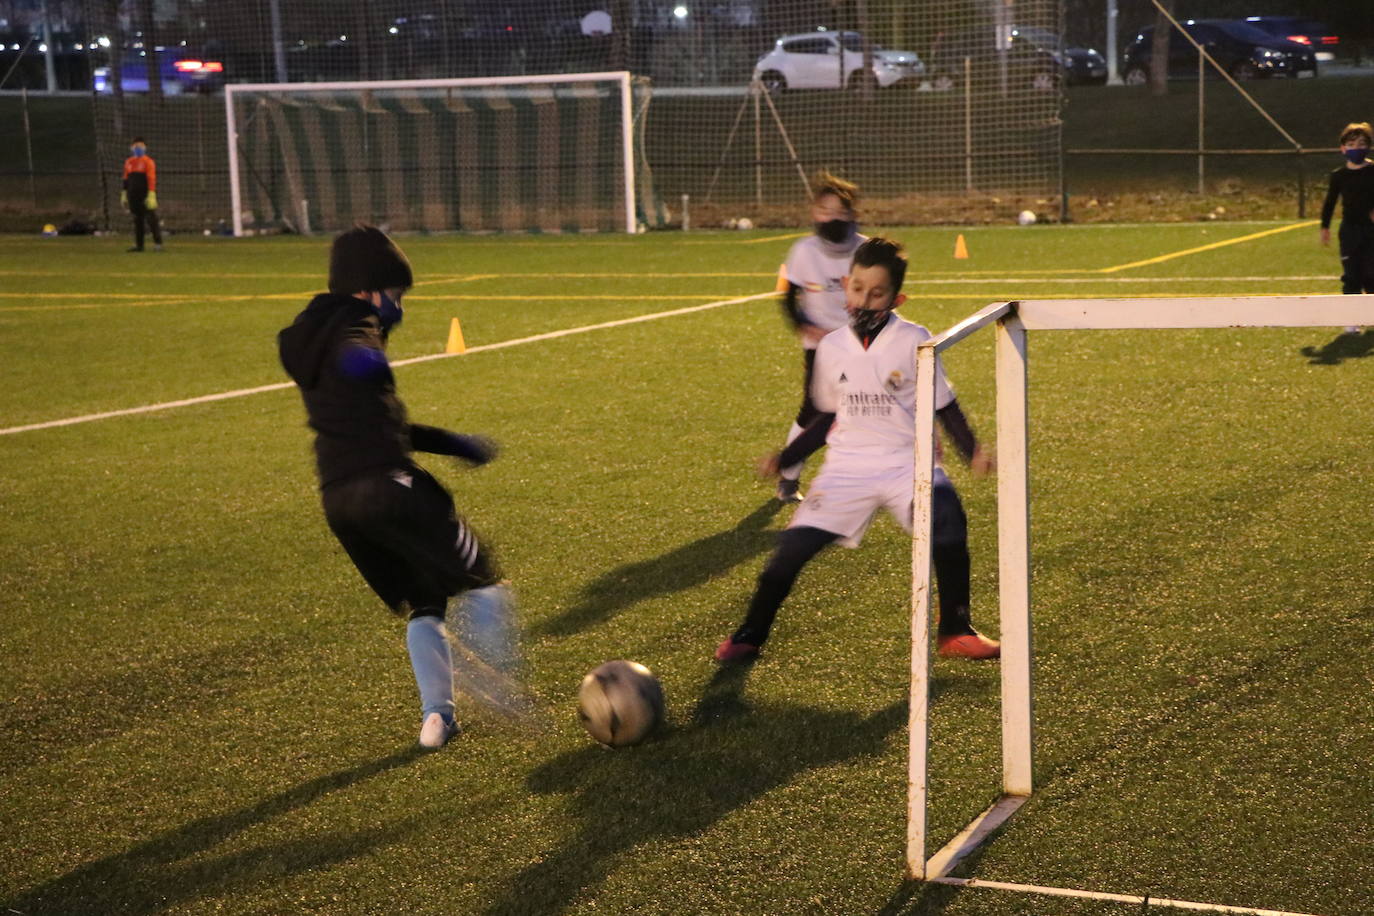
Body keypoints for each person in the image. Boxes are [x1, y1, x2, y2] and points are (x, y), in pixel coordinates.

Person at [278, 224, 520, 750]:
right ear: (367, 289)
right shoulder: (355, 329)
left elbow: (380, 426)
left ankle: (437, 719)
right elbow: (355, 347)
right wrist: (360, 357)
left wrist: (452, 443)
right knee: (484, 580)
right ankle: (502, 689)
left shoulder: (308, 337)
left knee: (425, 600)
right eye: (396, 293)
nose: (399, 306)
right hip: (391, 487)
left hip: (340, 500)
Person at [716, 237, 1001, 664]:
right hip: (846, 469)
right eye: (857, 289)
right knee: (786, 558)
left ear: (897, 297)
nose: (864, 300)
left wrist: (972, 451)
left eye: (877, 293)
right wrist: (787, 456)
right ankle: (749, 634)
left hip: (908, 463)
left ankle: (955, 629)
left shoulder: (916, 339)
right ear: (846, 285)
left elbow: (945, 405)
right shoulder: (831, 347)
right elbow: (827, 418)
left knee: (948, 521)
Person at [772, 172, 867, 503]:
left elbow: (880, 297)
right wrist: (804, 325)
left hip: (863, 347)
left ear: (852, 214)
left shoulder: (866, 250)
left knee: (868, 410)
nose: (832, 217)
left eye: (840, 211)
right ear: (814, 213)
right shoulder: (803, 251)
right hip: (821, 348)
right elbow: (787, 298)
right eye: (825, 209)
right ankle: (788, 476)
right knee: (813, 413)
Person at [1319, 121, 1374, 334]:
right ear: (1343, 148)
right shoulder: (1339, 176)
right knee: (1352, 274)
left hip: (1371, 231)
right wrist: (1325, 227)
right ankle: (1352, 319)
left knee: (1371, 274)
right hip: (1350, 231)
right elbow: (1330, 202)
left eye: (1361, 144)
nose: (1356, 148)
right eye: (1351, 144)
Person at [121, 137, 163, 253]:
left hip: (145, 194)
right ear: (132, 148)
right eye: (136, 146)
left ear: (145, 148)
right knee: (137, 220)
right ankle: (139, 245)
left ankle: (158, 243)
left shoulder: (148, 161)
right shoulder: (129, 162)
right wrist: (124, 193)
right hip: (133, 194)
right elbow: (125, 179)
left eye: (141, 146)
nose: (138, 148)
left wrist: (151, 193)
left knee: (151, 219)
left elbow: (151, 178)